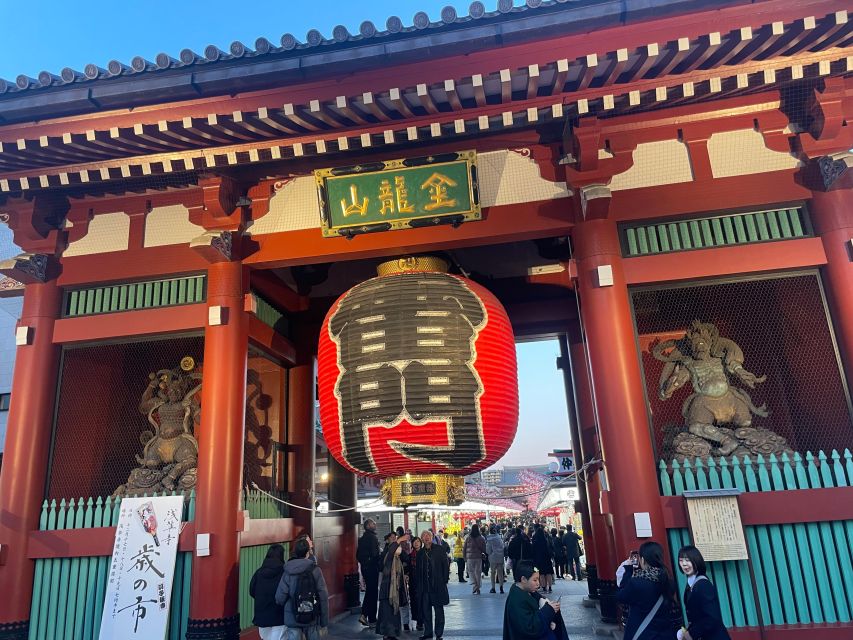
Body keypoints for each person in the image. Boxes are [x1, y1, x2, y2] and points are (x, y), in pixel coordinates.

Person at [616, 541, 677, 640]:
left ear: (643, 560)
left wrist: (628, 570)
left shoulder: (636, 583)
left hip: (642, 634)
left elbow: (621, 596)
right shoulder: (668, 581)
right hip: (664, 634)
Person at [275, 538, 329, 640]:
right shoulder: (315, 570)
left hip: (292, 616)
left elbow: (280, 597)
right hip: (312, 615)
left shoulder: (288, 570)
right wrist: (324, 621)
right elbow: (323, 596)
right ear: (308, 553)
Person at [502, 560, 569, 640]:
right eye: (535, 580)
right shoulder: (516, 600)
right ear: (523, 579)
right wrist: (548, 610)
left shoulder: (528, 592)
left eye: (538, 579)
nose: (538, 583)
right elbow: (529, 627)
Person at [677, 546, 731, 640]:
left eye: (688, 560)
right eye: (681, 560)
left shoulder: (703, 584)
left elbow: (712, 617)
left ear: (696, 560)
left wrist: (692, 633)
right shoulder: (690, 583)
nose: (684, 564)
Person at [415, 529, 450, 640]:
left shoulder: (439, 550)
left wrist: (444, 580)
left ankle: (439, 633)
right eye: (424, 536)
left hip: (437, 586)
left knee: (438, 611)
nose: (426, 537)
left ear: (432, 537)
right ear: (422, 539)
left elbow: (445, 565)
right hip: (425, 587)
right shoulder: (420, 553)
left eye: (428, 535)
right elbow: (418, 570)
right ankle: (428, 632)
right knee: (426, 611)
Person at [250, 544, 286, 640]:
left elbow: (251, 591)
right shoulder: (284, 573)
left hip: (262, 614)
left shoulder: (259, 573)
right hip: (279, 614)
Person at [377, 535, 409, 640]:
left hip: (395, 590)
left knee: (394, 612)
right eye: (397, 547)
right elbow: (390, 552)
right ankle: (388, 633)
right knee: (387, 612)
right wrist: (398, 540)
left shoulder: (397, 559)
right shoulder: (387, 555)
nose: (399, 548)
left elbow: (406, 558)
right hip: (387, 589)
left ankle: (393, 633)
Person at [358, 518, 381, 627]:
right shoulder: (372, 538)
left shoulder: (362, 539)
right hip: (372, 568)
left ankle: (365, 615)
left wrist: (364, 563)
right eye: (372, 523)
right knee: (373, 593)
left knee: (369, 591)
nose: (375, 524)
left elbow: (357, 555)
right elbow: (375, 554)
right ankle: (371, 619)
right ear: (368, 526)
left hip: (365, 568)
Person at [406, 536, 424, 632]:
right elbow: (407, 569)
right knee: (414, 601)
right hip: (413, 582)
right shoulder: (409, 556)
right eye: (415, 541)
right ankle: (416, 619)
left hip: (422, 582)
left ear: (421, 543)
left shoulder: (425, 554)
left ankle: (421, 622)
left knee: (422, 601)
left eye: (418, 541)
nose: (416, 543)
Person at [464, 524, 487, 594]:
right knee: (478, 572)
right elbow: (484, 549)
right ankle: (478, 586)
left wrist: (464, 556)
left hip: (470, 557)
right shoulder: (481, 538)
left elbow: (464, 548)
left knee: (471, 572)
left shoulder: (468, 538)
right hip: (478, 557)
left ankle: (475, 585)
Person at [531, 524, 554, 593]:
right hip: (547, 558)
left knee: (541, 573)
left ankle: (543, 587)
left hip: (539, 559)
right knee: (548, 573)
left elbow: (533, 550)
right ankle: (550, 587)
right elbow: (551, 548)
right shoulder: (546, 539)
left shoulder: (535, 540)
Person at [486, 524, 507, 594]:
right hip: (500, 557)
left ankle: (493, 588)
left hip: (493, 558)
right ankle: (501, 587)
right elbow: (503, 547)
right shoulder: (499, 538)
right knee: (500, 573)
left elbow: (488, 550)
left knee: (493, 573)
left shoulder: (489, 540)